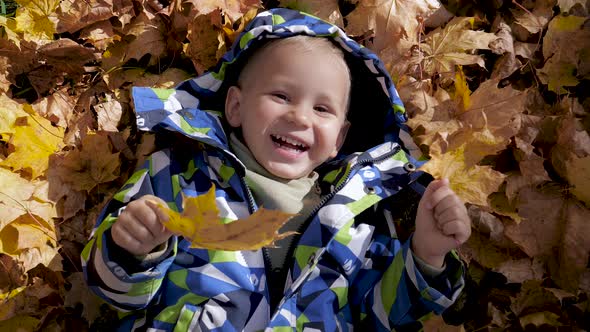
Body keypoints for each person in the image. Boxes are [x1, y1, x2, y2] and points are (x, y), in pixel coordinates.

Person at [82, 8, 471, 331]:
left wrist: (427, 252)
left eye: (322, 109)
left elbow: (383, 317)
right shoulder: (179, 178)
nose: (300, 116)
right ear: (235, 106)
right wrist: (132, 249)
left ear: (340, 138)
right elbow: (116, 294)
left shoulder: (359, 219)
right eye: (281, 96)